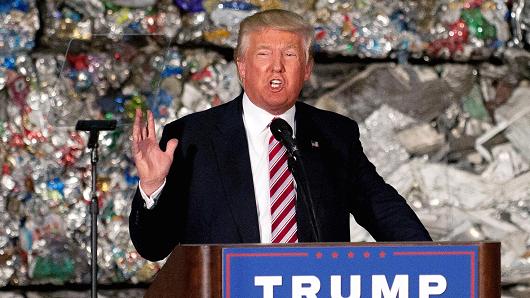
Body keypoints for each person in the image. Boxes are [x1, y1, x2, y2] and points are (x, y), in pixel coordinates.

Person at [129, 9, 431, 262]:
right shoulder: (190, 137)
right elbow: (153, 248)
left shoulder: (335, 135)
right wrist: (153, 187)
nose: (277, 66)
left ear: (307, 68)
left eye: (289, 54)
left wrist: (436, 261)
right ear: (242, 66)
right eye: (263, 54)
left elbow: (383, 210)